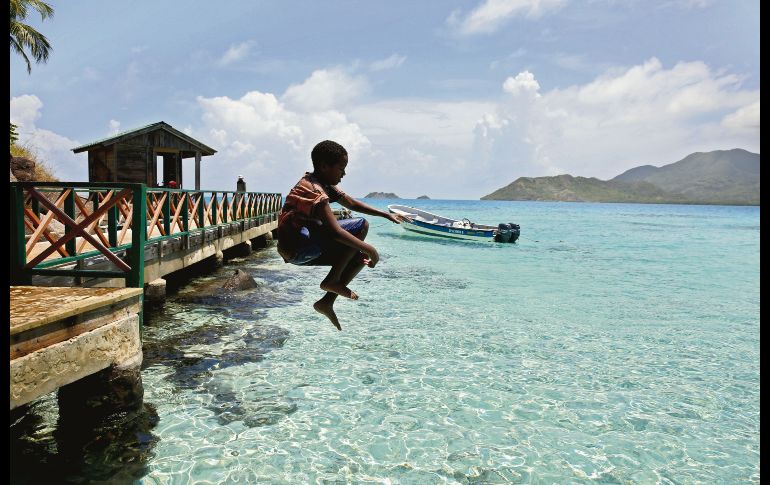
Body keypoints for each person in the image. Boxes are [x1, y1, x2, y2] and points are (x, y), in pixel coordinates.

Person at [277, 140, 406, 330]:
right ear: (324, 166)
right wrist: (372, 251)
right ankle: (332, 281)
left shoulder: (319, 182)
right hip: (299, 247)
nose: (343, 174)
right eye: (341, 168)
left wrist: (385, 214)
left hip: (295, 250)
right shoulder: (315, 191)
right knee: (361, 226)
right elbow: (335, 232)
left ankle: (326, 302)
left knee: (358, 257)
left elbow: (351, 203)